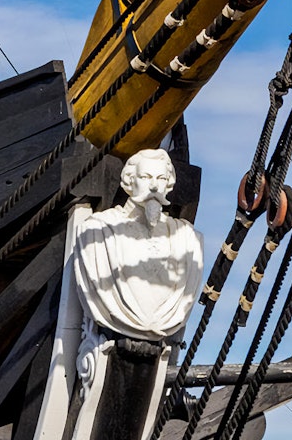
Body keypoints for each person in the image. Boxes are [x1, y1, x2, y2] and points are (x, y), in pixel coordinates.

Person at [72, 148, 204, 357]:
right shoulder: (98, 230)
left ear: (168, 185)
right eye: (145, 177)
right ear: (129, 181)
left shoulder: (187, 237)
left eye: (161, 179)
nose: (153, 186)